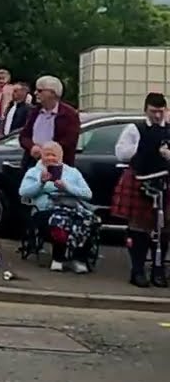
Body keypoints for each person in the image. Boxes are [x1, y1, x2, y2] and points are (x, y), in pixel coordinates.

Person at [112, 92, 170, 287]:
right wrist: (145, 148)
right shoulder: (134, 129)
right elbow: (121, 153)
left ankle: (158, 270)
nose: (157, 116)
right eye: (153, 111)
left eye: (160, 112)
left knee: (163, 229)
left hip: (165, 181)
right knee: (139, 228)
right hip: (140, 179)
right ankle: (137, 271)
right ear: (146, 109)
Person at [18, 141, 96, 273]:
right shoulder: (34, 172)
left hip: (72, 208)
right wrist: (41, 183)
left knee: (87, 220)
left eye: (53, 155)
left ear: (60, 156)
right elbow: (23, 192)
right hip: (45, 210)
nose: (50, 158)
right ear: (41, 156)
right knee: (60, 219)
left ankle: (78, 258)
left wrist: (67, 187)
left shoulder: (72, 172)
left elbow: (88, 194)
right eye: (47, 155)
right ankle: (58, 258)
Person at [18, 75, 81, 166]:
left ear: (53, 93)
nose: (35, 93)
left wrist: (47, 152)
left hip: (57, 164)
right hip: (32, 162)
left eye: (40, 91)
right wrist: (32, 147)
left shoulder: (69, 114)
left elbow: (69, 141)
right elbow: (24, 136)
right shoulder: (34, 112)